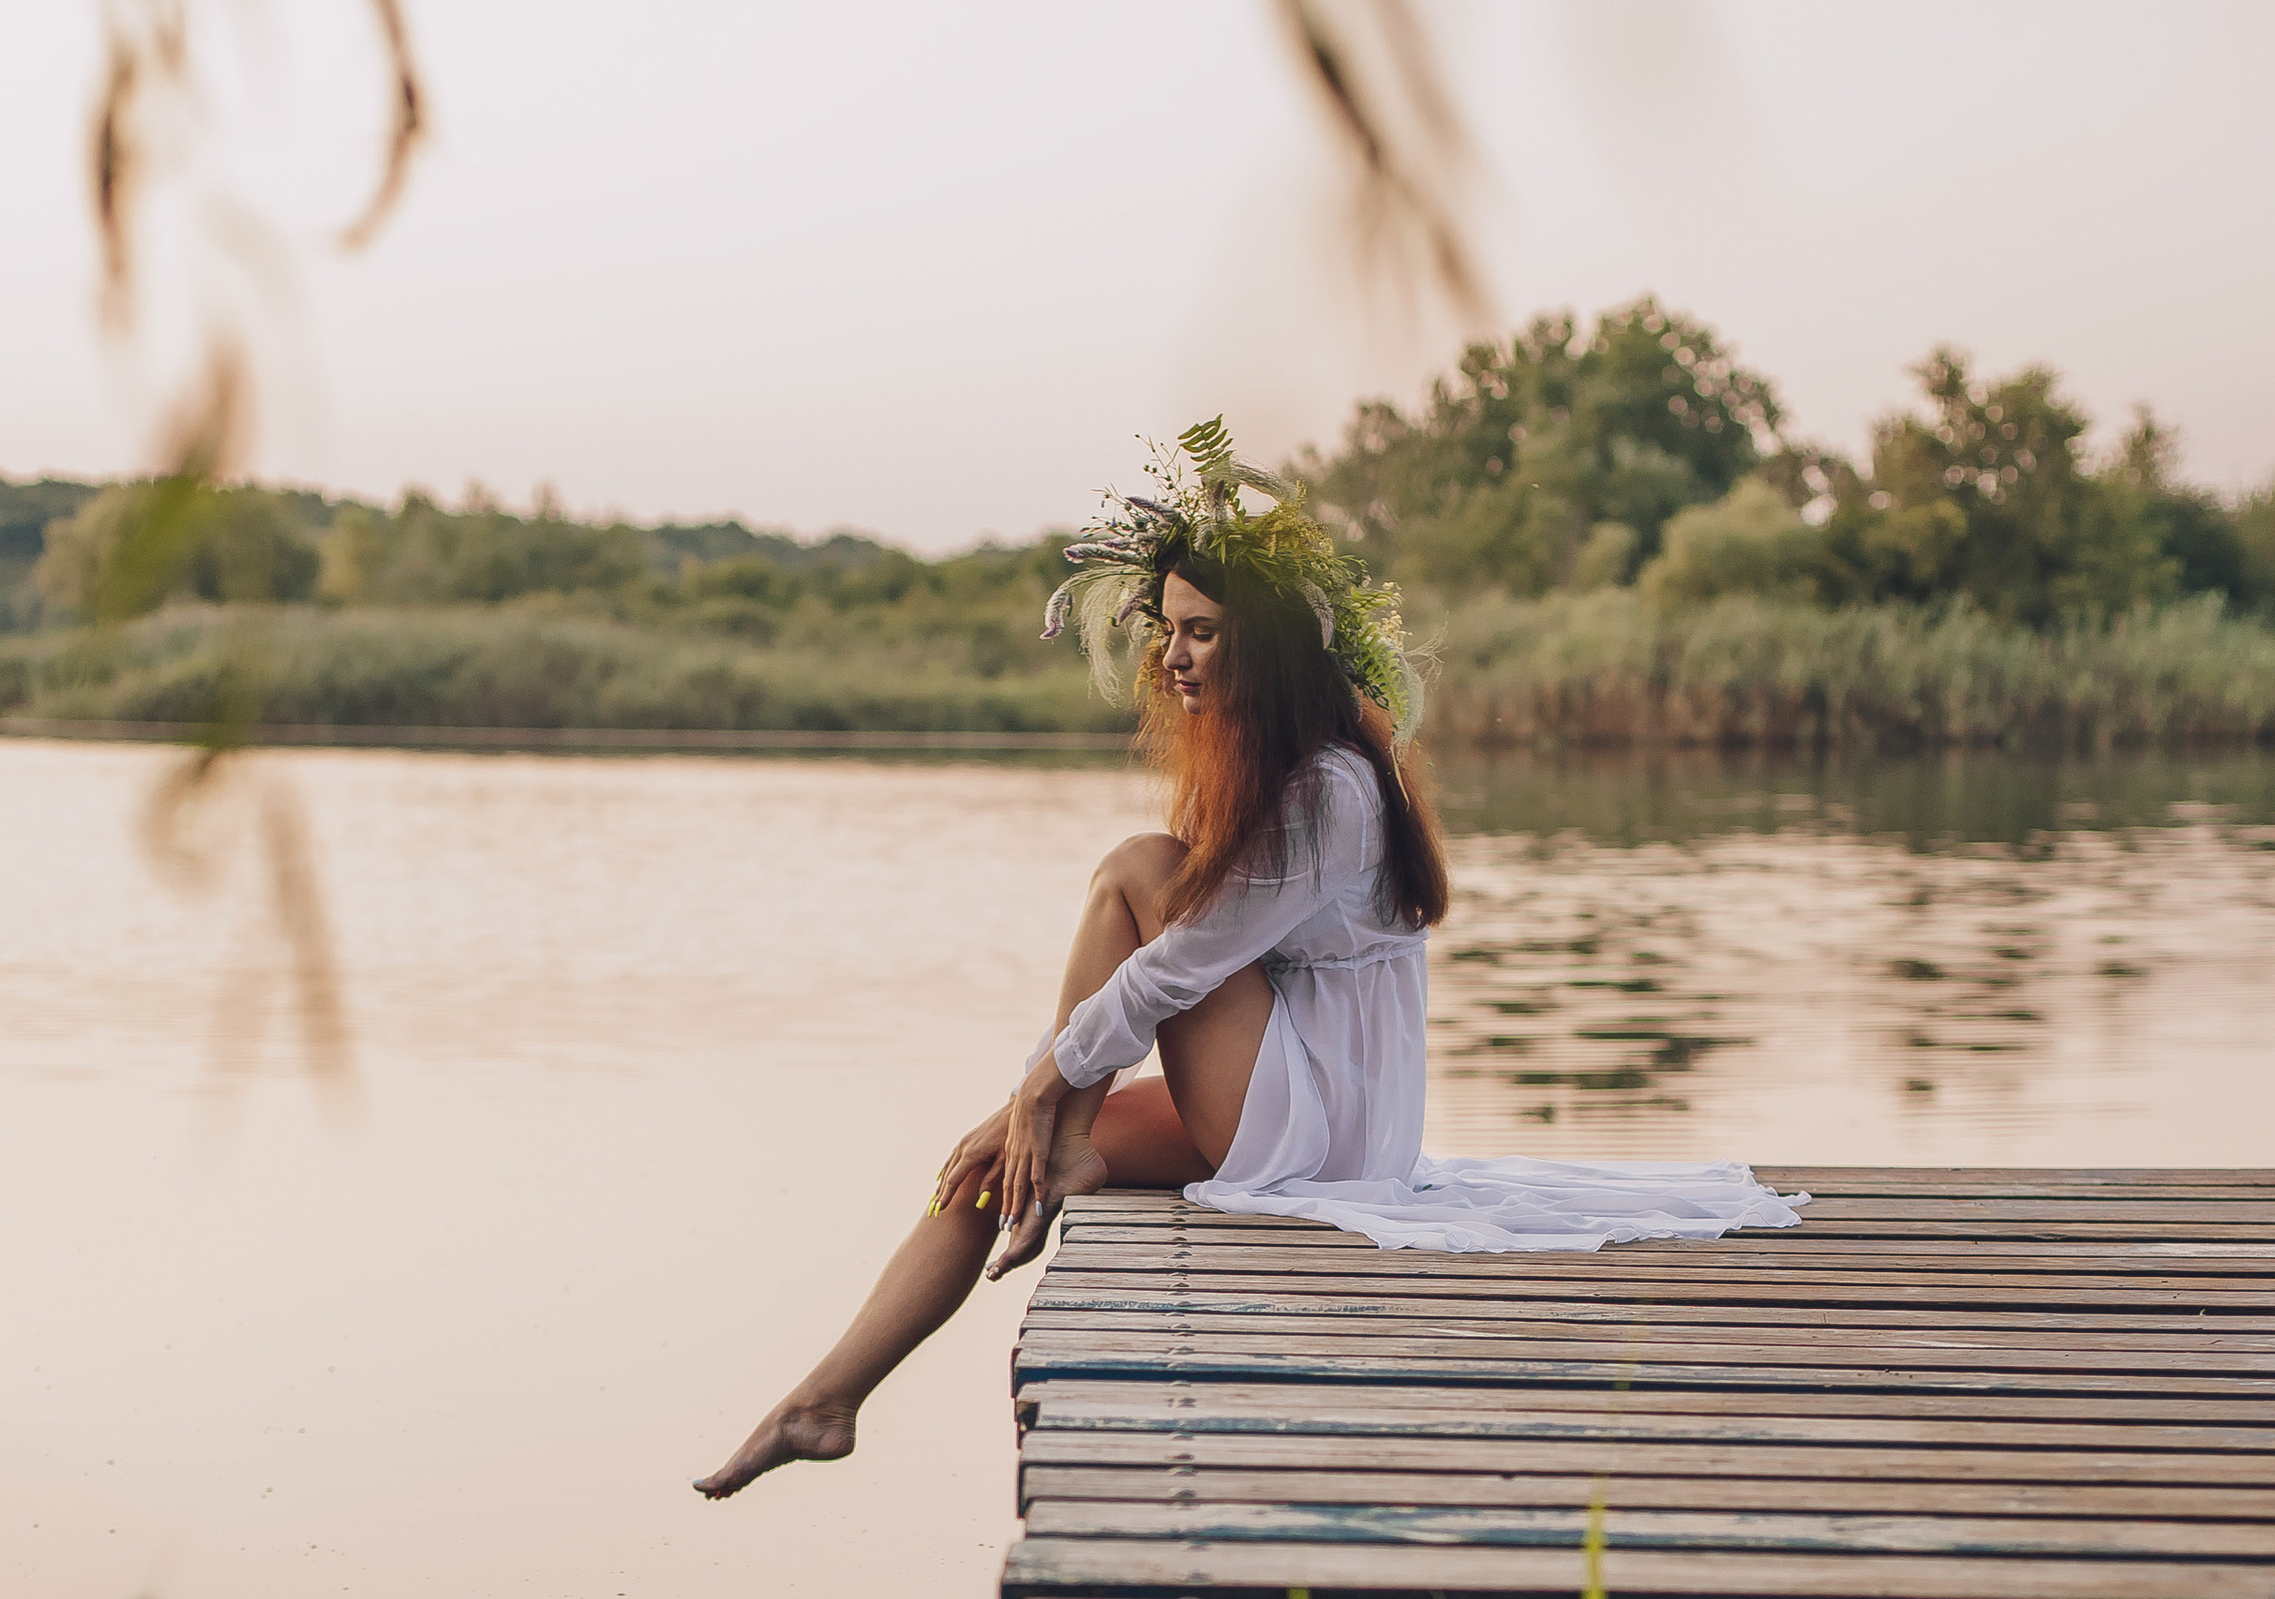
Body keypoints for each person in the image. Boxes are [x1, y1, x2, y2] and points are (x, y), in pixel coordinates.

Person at [695, 420, 1799, 1499]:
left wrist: (1037, 1086)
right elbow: (1173, 973)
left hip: (1323, 1125)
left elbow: (1171, 974)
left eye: (1203, 631)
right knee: (986, 1167)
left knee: (1133, 872)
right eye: (1165, 628)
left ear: (1265, 646)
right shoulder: (1277, 773)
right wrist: (1025, 1113)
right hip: (1286, 1095)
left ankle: (1061, 1132)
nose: (1170, 655)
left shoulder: (1329, 790)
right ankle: (825, 1401)